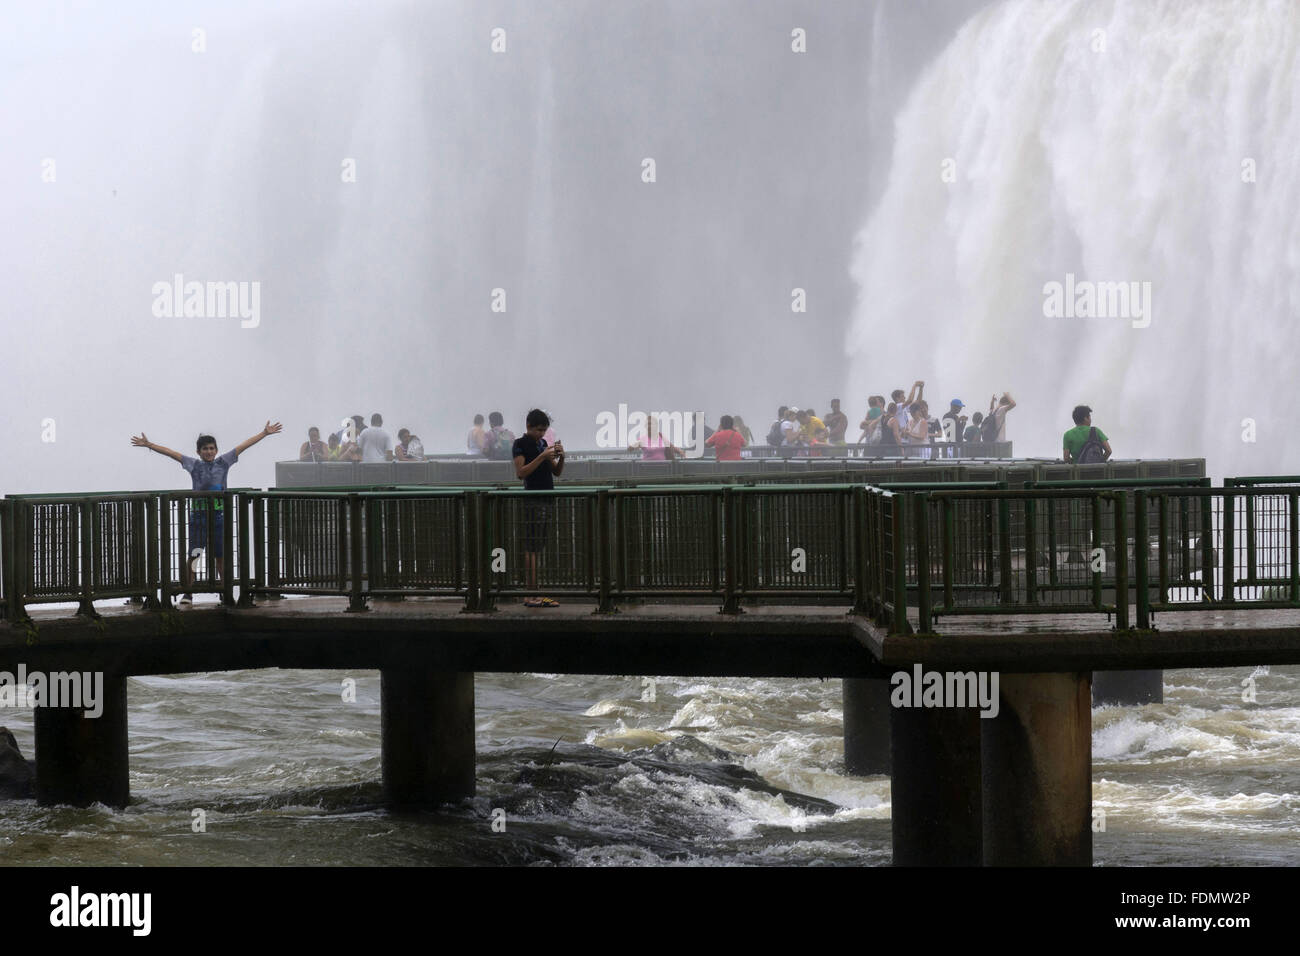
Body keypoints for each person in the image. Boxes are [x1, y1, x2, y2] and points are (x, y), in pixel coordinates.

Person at [131, 421, 282, 604]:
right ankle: (188, 592)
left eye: (211, 448)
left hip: (219, 517)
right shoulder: (194, 465)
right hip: (199, 517)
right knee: (195, 555)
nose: (209, 451)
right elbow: (172, 454)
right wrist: (149, 445)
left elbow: (243, 446)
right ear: (199, 452)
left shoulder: (224, 462)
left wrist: (264, 433)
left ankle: (225, 592)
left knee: (220, 556)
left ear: (216, 450)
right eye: (205, 449)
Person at [513, 409, 564, 608]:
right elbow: (521, 473)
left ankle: (535, 593)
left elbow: (556, 472)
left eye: (544, 431)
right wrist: (542, 456)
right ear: (528, 426)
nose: (542, 434)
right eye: (538, 430)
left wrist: (562, 457)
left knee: (537, 547)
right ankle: (530, 594)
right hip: (533, 500)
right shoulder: (520, 444)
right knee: (531, 548)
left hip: (546, 500)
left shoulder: (542, 444)